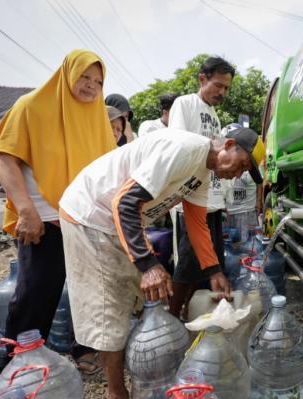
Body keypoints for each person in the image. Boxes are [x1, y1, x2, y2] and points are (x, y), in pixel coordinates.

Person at [59, 126, 265, 399]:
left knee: (136, 299)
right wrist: (148, 265)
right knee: (109, 307)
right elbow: (125, 201)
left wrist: (214, 270)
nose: (236, 175)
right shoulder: (185, 149)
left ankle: (142, 377)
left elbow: (196, 221)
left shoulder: (202, 172)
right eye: (241, 165)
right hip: (91, 216)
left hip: (117, 223)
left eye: (242, 173)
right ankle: (116, 392)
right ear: (228, 144)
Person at [0, 49, 116, 375]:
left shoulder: (97, 117)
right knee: (35, 293)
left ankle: (81, 349)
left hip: (85, 223)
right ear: (67, 73)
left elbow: (107, 172)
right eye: (84, 76)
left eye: (98, 81)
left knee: (88, 290)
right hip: (43, 221)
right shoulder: (31, 107)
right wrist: (26, 210)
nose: (90, 86)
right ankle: (14, 362)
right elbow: (6, 160)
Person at [167, 56, 242, 319]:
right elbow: (178, 146)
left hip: (211, 200)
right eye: (218, 85)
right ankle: (173, 316)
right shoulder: (184, 104)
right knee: (187, 264)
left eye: (226, 88)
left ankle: (194, 314)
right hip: (188, 199)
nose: (222, 92)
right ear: (202, 79)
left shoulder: (214, 116)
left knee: (210, 262)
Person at [222, 125, 263, 243]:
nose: (238, 174)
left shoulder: (252, 166)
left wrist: (258, 203)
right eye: (243, 164)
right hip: (230, 211)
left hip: (246, 211)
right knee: (230, 245)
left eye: (245, 167)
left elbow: (259, 182)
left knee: (247, 246)